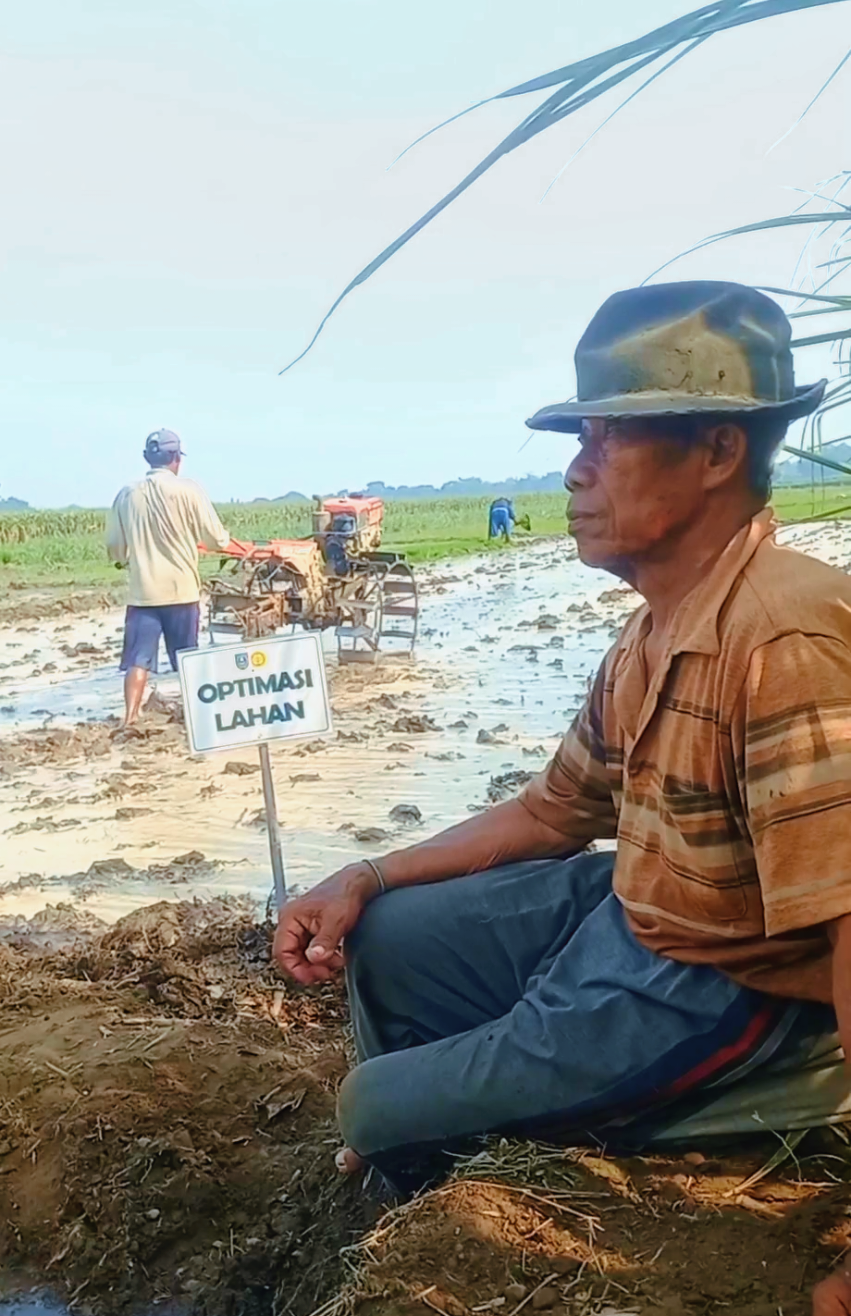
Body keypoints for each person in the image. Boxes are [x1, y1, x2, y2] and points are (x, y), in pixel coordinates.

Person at [274, 282, 851, 1278]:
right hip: (636, 910)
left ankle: (451, 1173)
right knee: (394, 939)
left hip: (727, 988)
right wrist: (365, 877)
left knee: (372, 1106)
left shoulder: (783, 640)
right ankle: (465, 1133)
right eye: (579, 439)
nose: (577, 473)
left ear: (718, 451)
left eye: (607, 440)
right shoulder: (659, 623)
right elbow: (556, 810)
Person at [106, 429, 251, 728]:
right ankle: (199, 714)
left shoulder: (127, 494)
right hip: (181, 591)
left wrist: (124, 560)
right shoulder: (189, 490)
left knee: (137, 659)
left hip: (143, 593)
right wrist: (231, 546)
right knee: (187, 658)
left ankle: (130, 717)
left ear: (148, 458)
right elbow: (215, 538)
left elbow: (115, 548)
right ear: (176, 459)